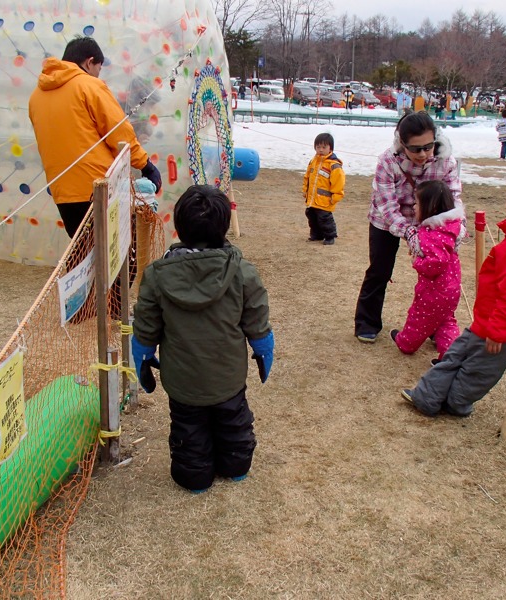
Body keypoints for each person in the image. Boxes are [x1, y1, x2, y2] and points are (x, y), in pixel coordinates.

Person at [131, 185, 273, 493]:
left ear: (180, 227)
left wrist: (141, 353)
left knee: (188, 429)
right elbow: (257, 317)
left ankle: (194, 477)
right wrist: (263, 346)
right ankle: (236, 467)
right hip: (227, 375)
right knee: (233, 422)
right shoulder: (242, 272)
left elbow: (146, 324)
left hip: (183, 380)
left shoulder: (157, 275)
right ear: (224, 227)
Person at [401, 168, 506, 418]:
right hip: (486, 320)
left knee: (478, 371)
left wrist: (498, 333)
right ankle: (426, 397)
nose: (504, 198)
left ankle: (456, 403)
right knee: (455, 355)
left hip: (500, 331)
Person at [28, 36, 161, 240]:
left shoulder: (36, 96)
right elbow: (119, 134)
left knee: (84, 258)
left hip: (62, 193)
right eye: (98, 68)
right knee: (119, 259)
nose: (98, 74)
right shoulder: (89, 86)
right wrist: (145, 165)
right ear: (89, 62)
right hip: (98, 190)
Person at [354, 111, 464, 343]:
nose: (423, 154)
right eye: (415, 149)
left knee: (440, 277)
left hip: (432, 224)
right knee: (379, 270)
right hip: (387, 221)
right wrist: (409, 232)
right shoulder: (388, 160)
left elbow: (453, 198)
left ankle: (438, 327)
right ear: (402, 144)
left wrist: (457, 229)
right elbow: (386, 203)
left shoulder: (447, 162)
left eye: (428, 146)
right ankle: (367, 322)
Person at [390, 180, 464, 364]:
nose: (414, 207)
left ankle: (405, 342)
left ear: (430, 207)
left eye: (416, 203)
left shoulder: (432, 234)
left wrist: (417, 262)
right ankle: (450, 357)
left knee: (418, 317)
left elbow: (436, 262)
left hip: (434, 291)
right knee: (446, 321)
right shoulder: (451, 226)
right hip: (451, 288)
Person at [302, 133, 345, 245]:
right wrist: (305, 191)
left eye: (324, 147)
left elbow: (338, 183)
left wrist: (335, 197)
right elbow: (307, 177)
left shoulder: (334, 165)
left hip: (325, 200)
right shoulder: (313, 161)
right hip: (312, 199)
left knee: (325, 219)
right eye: (318, 147)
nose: (320, 150)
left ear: (330, 148)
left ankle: (330, 236)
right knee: (311, 216)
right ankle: (316, 235)